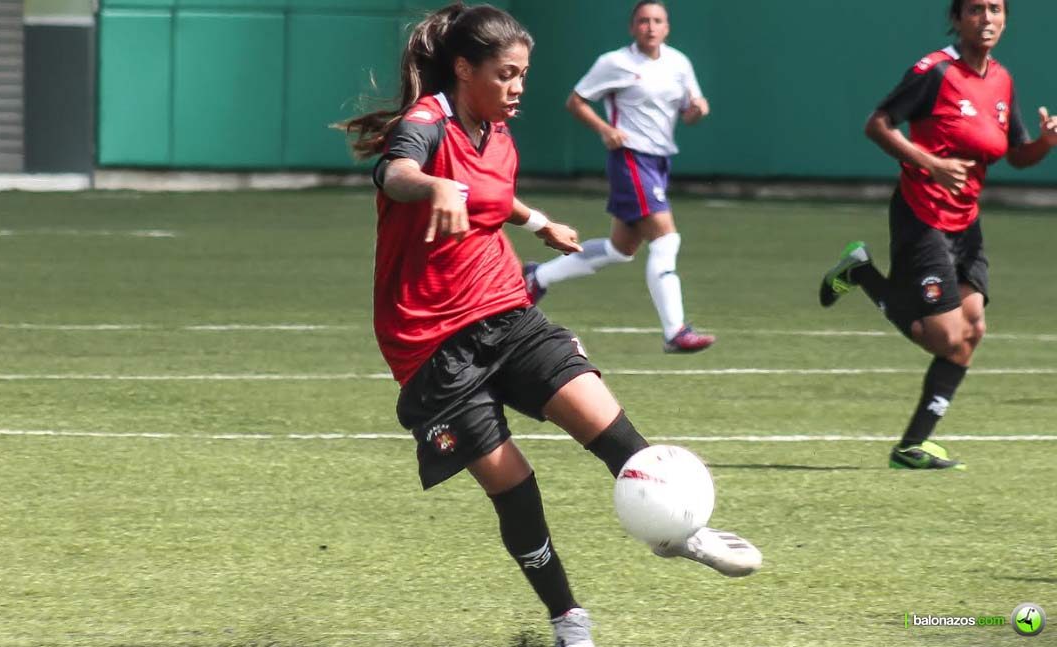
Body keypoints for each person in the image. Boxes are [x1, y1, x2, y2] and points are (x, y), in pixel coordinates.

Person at [341, 4, 761, 645]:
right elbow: (395, 172)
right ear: (464, 69)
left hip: (505, 310)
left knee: (606, 424)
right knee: (513, 486)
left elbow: (491, 192)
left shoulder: (498, 134)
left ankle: (680, 531)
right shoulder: (426, 121)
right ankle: (568, 618)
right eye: (505, 74)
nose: (517, 88)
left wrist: (538, 223)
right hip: (431, 345)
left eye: (523, 75)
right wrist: (433, 186)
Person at [818, 0, 1057, 469]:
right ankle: (860, 273)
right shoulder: (934, 72)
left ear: (1005, 19)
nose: (986, 19)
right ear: (956, 19)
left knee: (973, 330)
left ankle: (911, 447)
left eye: (995, 9)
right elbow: (877, 125)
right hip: (922, 216)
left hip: (965, 224)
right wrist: (929, 163)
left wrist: (1046, 142)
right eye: (975, 10)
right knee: (944, 338)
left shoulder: (1002, 80)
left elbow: (1016, 155)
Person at [523, 0, 715, 353]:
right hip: (630, 158)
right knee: (666, 239)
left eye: (657, 21)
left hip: (659, 161)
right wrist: (605, 129)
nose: (650, 27)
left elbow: (689, 113)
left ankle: (538, 277)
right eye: (643, 20)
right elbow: (576, 101)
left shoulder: (679, 63)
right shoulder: (615, 62)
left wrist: (697, 111)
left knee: (620, 249)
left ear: (667, 28)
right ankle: (675, 332)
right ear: (632, 27)